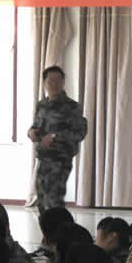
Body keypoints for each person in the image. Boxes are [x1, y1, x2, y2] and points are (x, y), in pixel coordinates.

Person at [27, 66, 87, 214]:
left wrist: (55, 136)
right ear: (44, 83)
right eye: (50, 81)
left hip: (60, 160)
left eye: (58, 81)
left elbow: (80, 132)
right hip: (43, 159)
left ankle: (59, 228)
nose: (54, 84)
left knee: (54, 201)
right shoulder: (41, 105)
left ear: (63, 82)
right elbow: (36, 126)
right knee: (42, 199)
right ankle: (46, 228)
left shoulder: (72, 107)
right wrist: (31, 132)